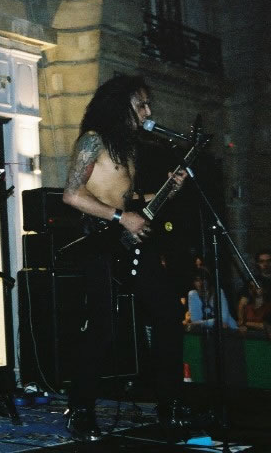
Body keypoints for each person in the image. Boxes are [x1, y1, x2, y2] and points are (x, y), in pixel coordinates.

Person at [62, 74, 193, 442]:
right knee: (102, 327)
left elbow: (129, 201)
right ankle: (81, 409)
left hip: (130, 241)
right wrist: (122, 217)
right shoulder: (92, 141)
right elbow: (72, 194)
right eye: (142, 104)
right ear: (121, 105)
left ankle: (170, 404)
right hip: (99, 241)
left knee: (168, 313)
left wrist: (168, 190)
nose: (148, 112)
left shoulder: (128, 148)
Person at [236, 249, 271, 330]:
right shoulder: (252, 282)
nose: (266, 264)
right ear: (257, 264)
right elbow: (242, 304)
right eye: (262, 261)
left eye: (268, 261)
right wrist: (241, 322)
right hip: (259, 320)